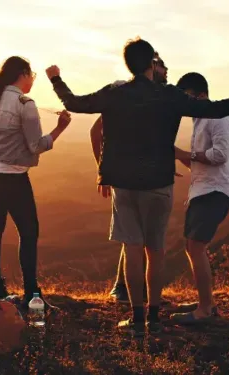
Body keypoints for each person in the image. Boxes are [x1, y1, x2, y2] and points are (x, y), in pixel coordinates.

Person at [46, 38, 229, 337]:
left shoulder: (115, 94)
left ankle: (137, 319)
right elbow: (218, 109)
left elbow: (75, 103)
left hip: (125, 183)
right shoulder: (169, 96)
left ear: (128, 64)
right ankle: (154, 317)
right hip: (159, 183)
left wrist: (56, 79)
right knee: (156, 251)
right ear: (151, 65)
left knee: (132, 249)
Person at [0, 56, 72, 310]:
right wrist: (60, 128)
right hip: (13, 174)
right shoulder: (25, 103)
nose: (32, 81)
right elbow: (36, 145)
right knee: (29, 231)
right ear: (23, 74)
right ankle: (32, 294)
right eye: (32, 76)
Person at [90, 52, 169, 304]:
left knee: (137, 238)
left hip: (143, 175)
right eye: (163, 66)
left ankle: (133, 294)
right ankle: (125, 290)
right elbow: (96, 131)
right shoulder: (125, 94)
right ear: (151, 67)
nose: (167, 72)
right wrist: (104, 171)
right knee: (135, 238)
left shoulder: (153, 97)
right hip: (129, 178)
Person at [170, 72, 229, 324]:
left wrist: (184, 152)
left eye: (186, 96)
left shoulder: (218, 116)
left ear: (200, 95)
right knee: (193, 247)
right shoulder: (199, 120)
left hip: (215, 191)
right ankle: (204, 300)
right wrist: (179, 156)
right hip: (203, 190)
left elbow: (220, 155)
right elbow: (202, 162)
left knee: (196, 247)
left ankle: (205, 310)